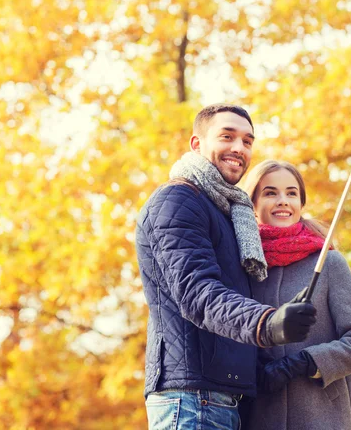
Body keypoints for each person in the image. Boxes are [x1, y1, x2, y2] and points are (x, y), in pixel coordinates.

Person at [135, 104, 318, 430]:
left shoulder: (229, 211)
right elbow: (197, 293)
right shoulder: (178, 200)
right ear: (197, 144)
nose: (239, 148)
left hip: (221, 397)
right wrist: (268, 323)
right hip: (192, 399)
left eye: (247, 141)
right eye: (227, 136)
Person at [241, 160, 351, 430]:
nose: (282, 201)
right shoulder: (243, 266)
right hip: (259, 417)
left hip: (324, 418)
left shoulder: (329, 263)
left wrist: (304, 362)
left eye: (291, 193)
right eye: (270, 193)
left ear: (301, 203)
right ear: (252, 204)